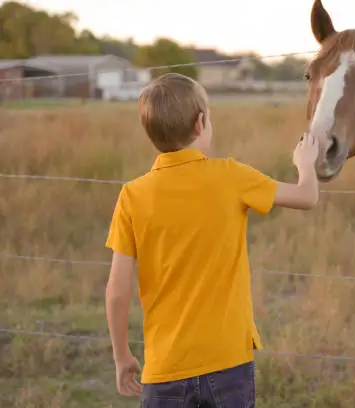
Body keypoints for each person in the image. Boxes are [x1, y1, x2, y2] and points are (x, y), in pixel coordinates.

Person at [104, 72, 320, 407]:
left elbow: (117, 291)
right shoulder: (230, 176)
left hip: (165, 370)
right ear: (200, 123)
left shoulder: (132, 196)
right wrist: (305, 164)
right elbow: (307, 197)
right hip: (228, 363)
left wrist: (122, 356)